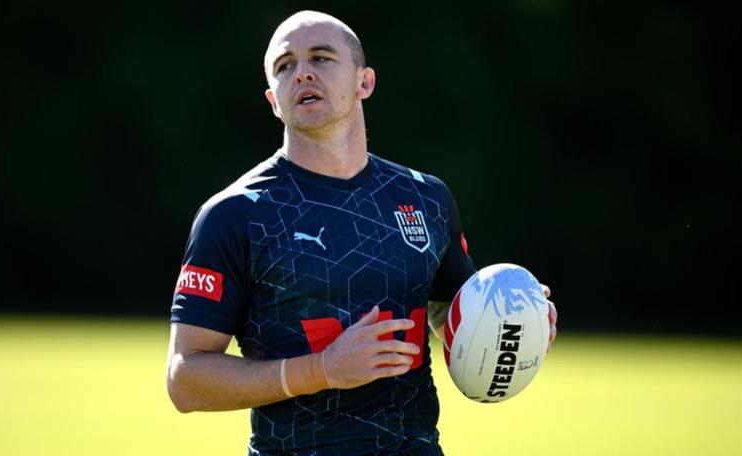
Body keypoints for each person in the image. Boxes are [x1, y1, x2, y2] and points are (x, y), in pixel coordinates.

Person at [166, 10, 558, 455]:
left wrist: (514, 323)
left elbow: (446, 311)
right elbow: (186, 380)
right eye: (285, 65)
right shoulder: (233, 215)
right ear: (273, 99)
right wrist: (323, 370)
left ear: (364, 82)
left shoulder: (426, 198)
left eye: (321, 57)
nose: (303, 72)